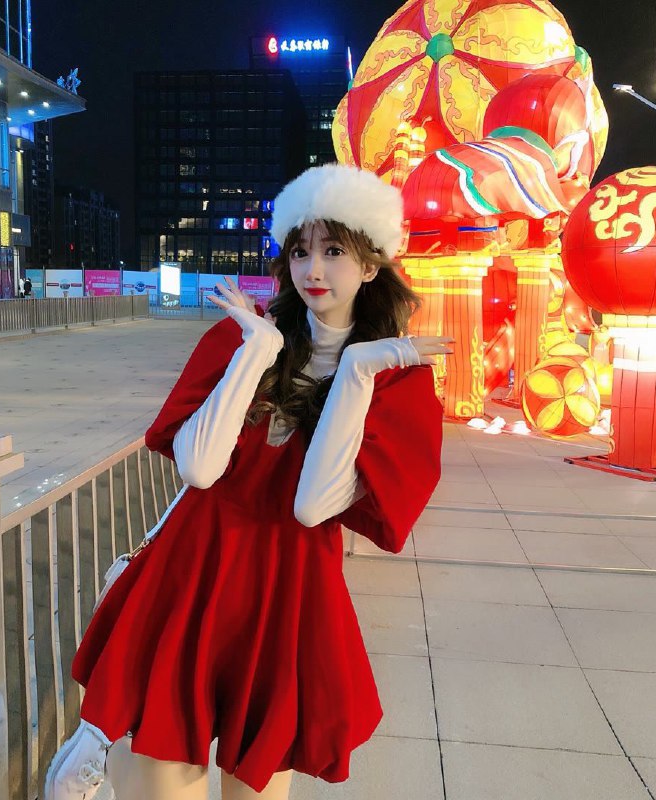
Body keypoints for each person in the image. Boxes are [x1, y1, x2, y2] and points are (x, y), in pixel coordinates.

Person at [46, 164, 451, 800]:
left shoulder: (396, 382)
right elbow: (199, 468)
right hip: (193, 566)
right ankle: (98, 748)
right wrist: (257, 349)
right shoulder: (243, 338)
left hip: (286, 586)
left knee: (253, 771)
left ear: (372, 265)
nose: (312, 269)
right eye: (300, 251)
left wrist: (357, 370)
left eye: (334, 251)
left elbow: (313, 506)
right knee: (160, 766)